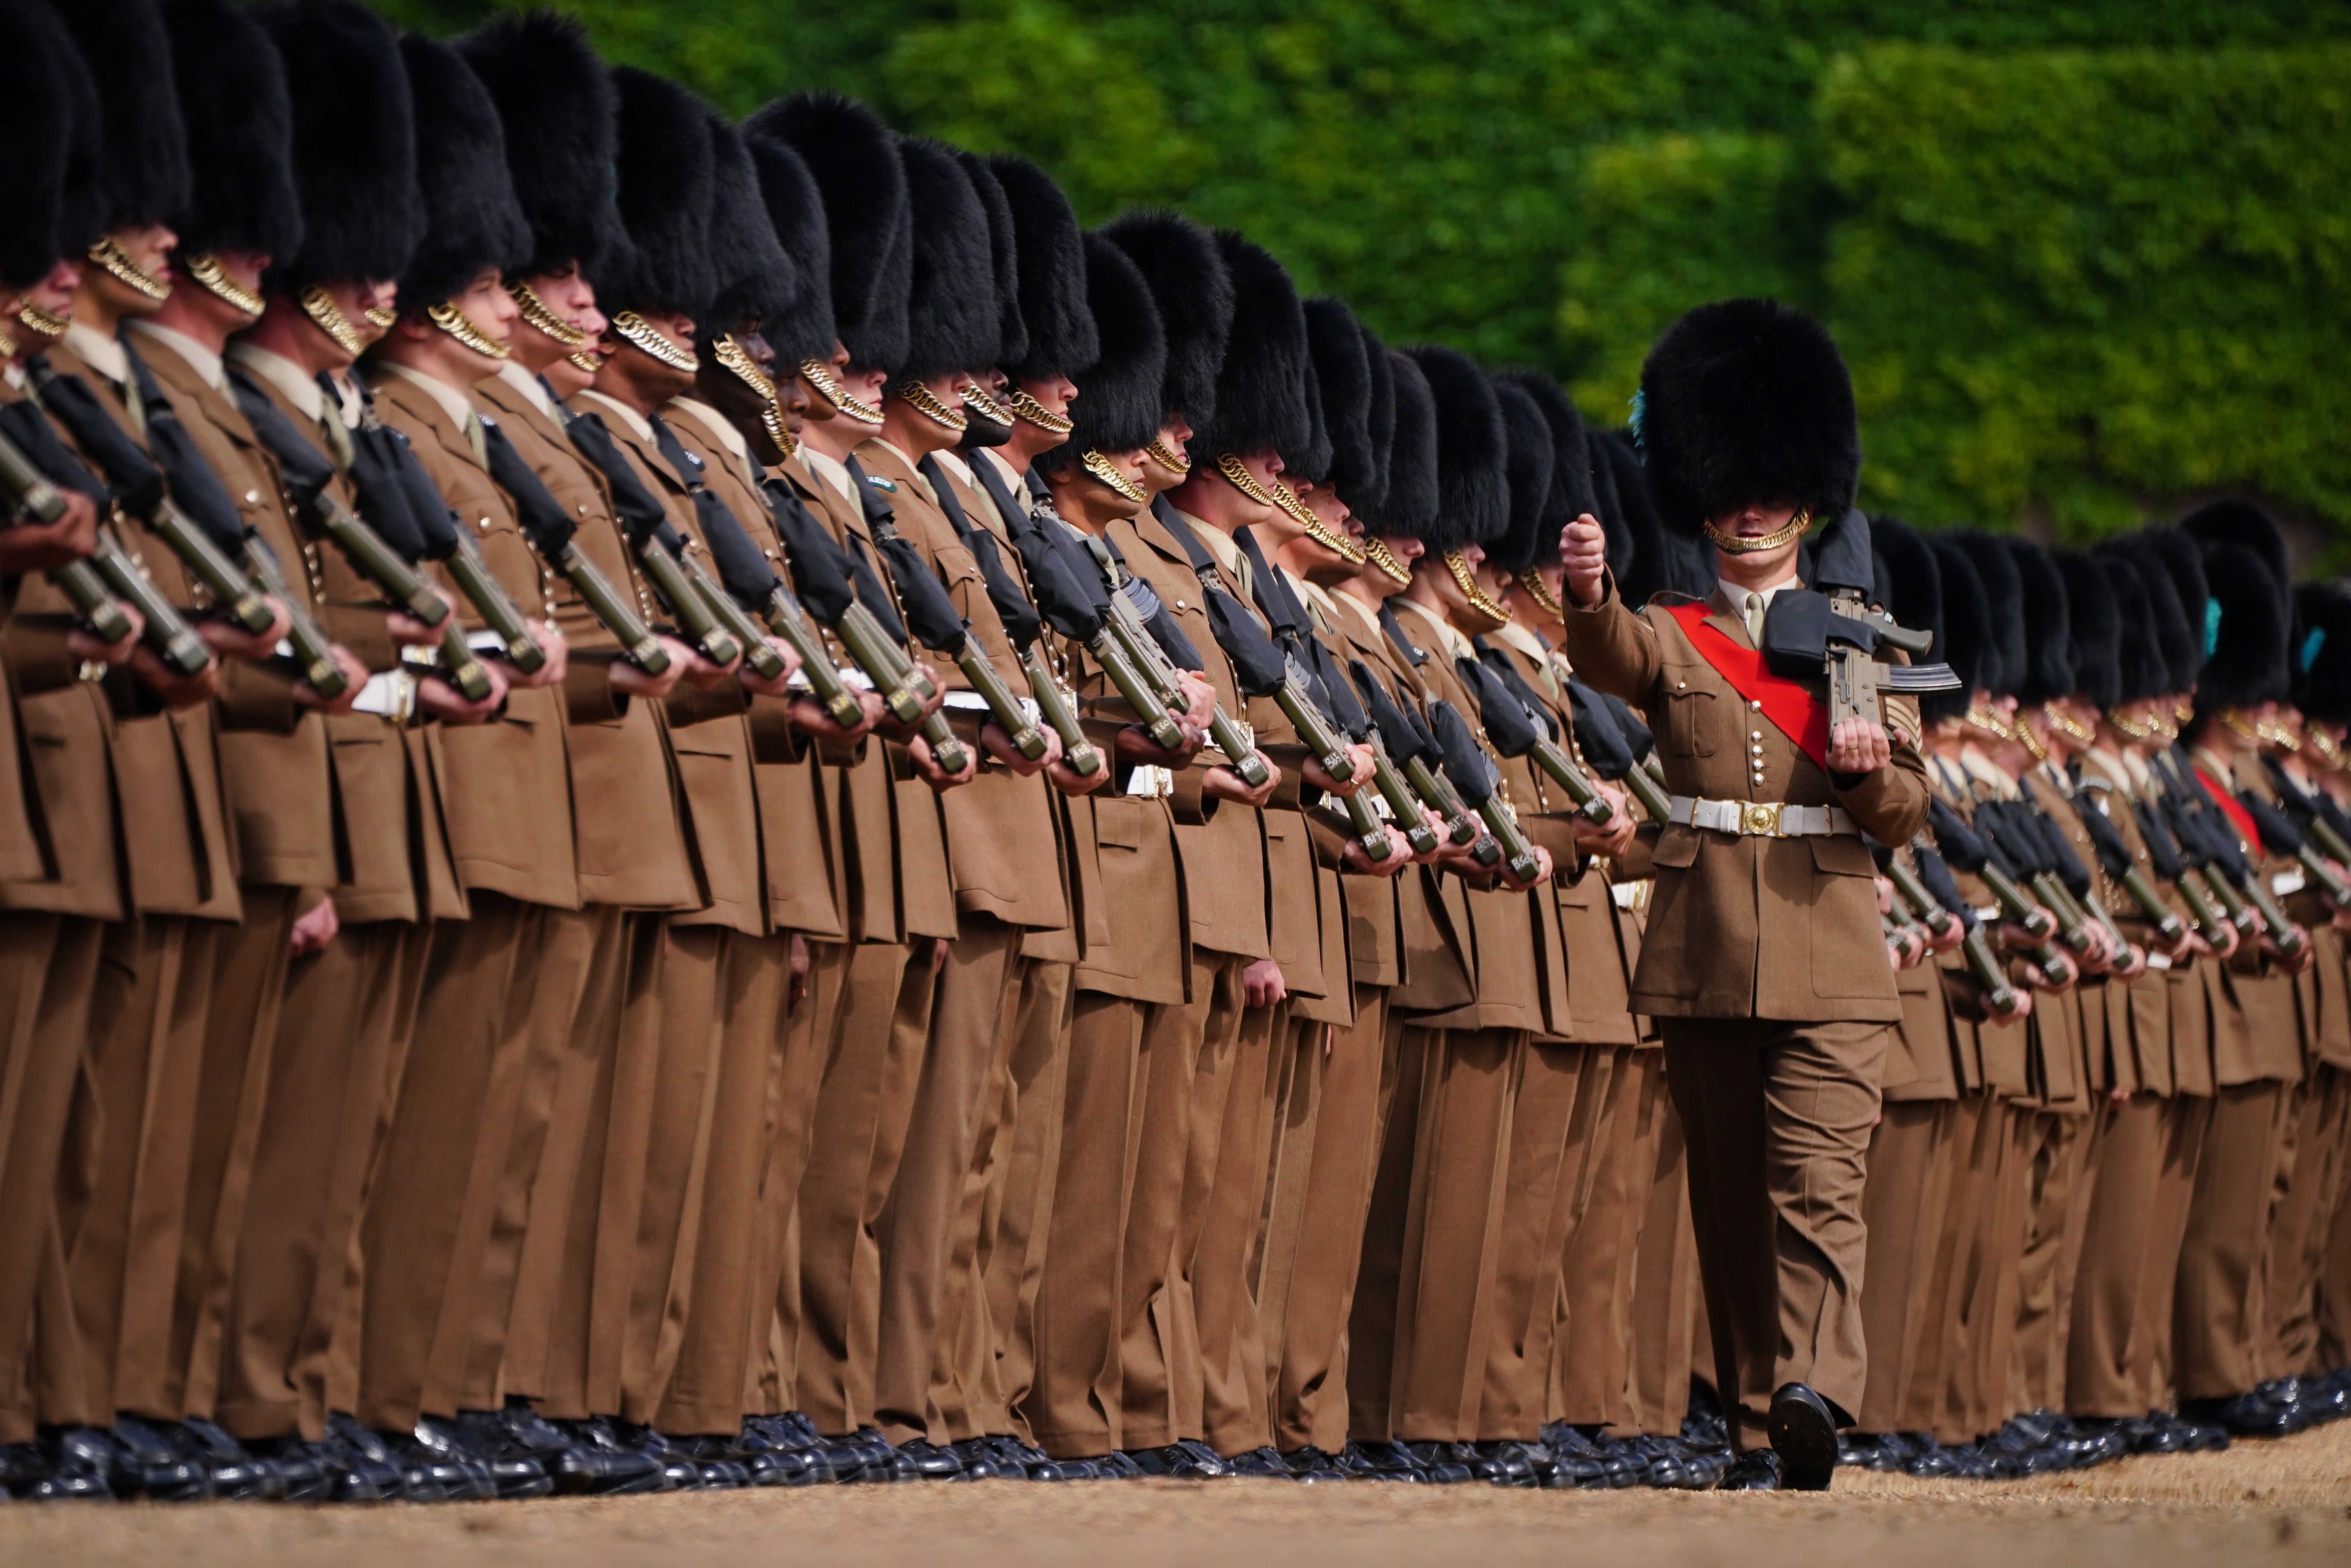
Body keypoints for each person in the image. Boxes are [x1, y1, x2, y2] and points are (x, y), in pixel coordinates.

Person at [1558, 296, 1930, 1490]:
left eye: (1768, 489)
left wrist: (1872, 785)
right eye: (1730, 489)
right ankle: (1758, 1420)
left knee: (1819, 1184)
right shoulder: (1673, 631)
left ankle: (1815, 1386)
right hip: (1708, 938)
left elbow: (1910, 812)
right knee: (1727, 1203)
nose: (1751, 509)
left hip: (1829, 942)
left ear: (1806, 499)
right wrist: (1585, 592)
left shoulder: (1861, 643)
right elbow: (1615, 660)